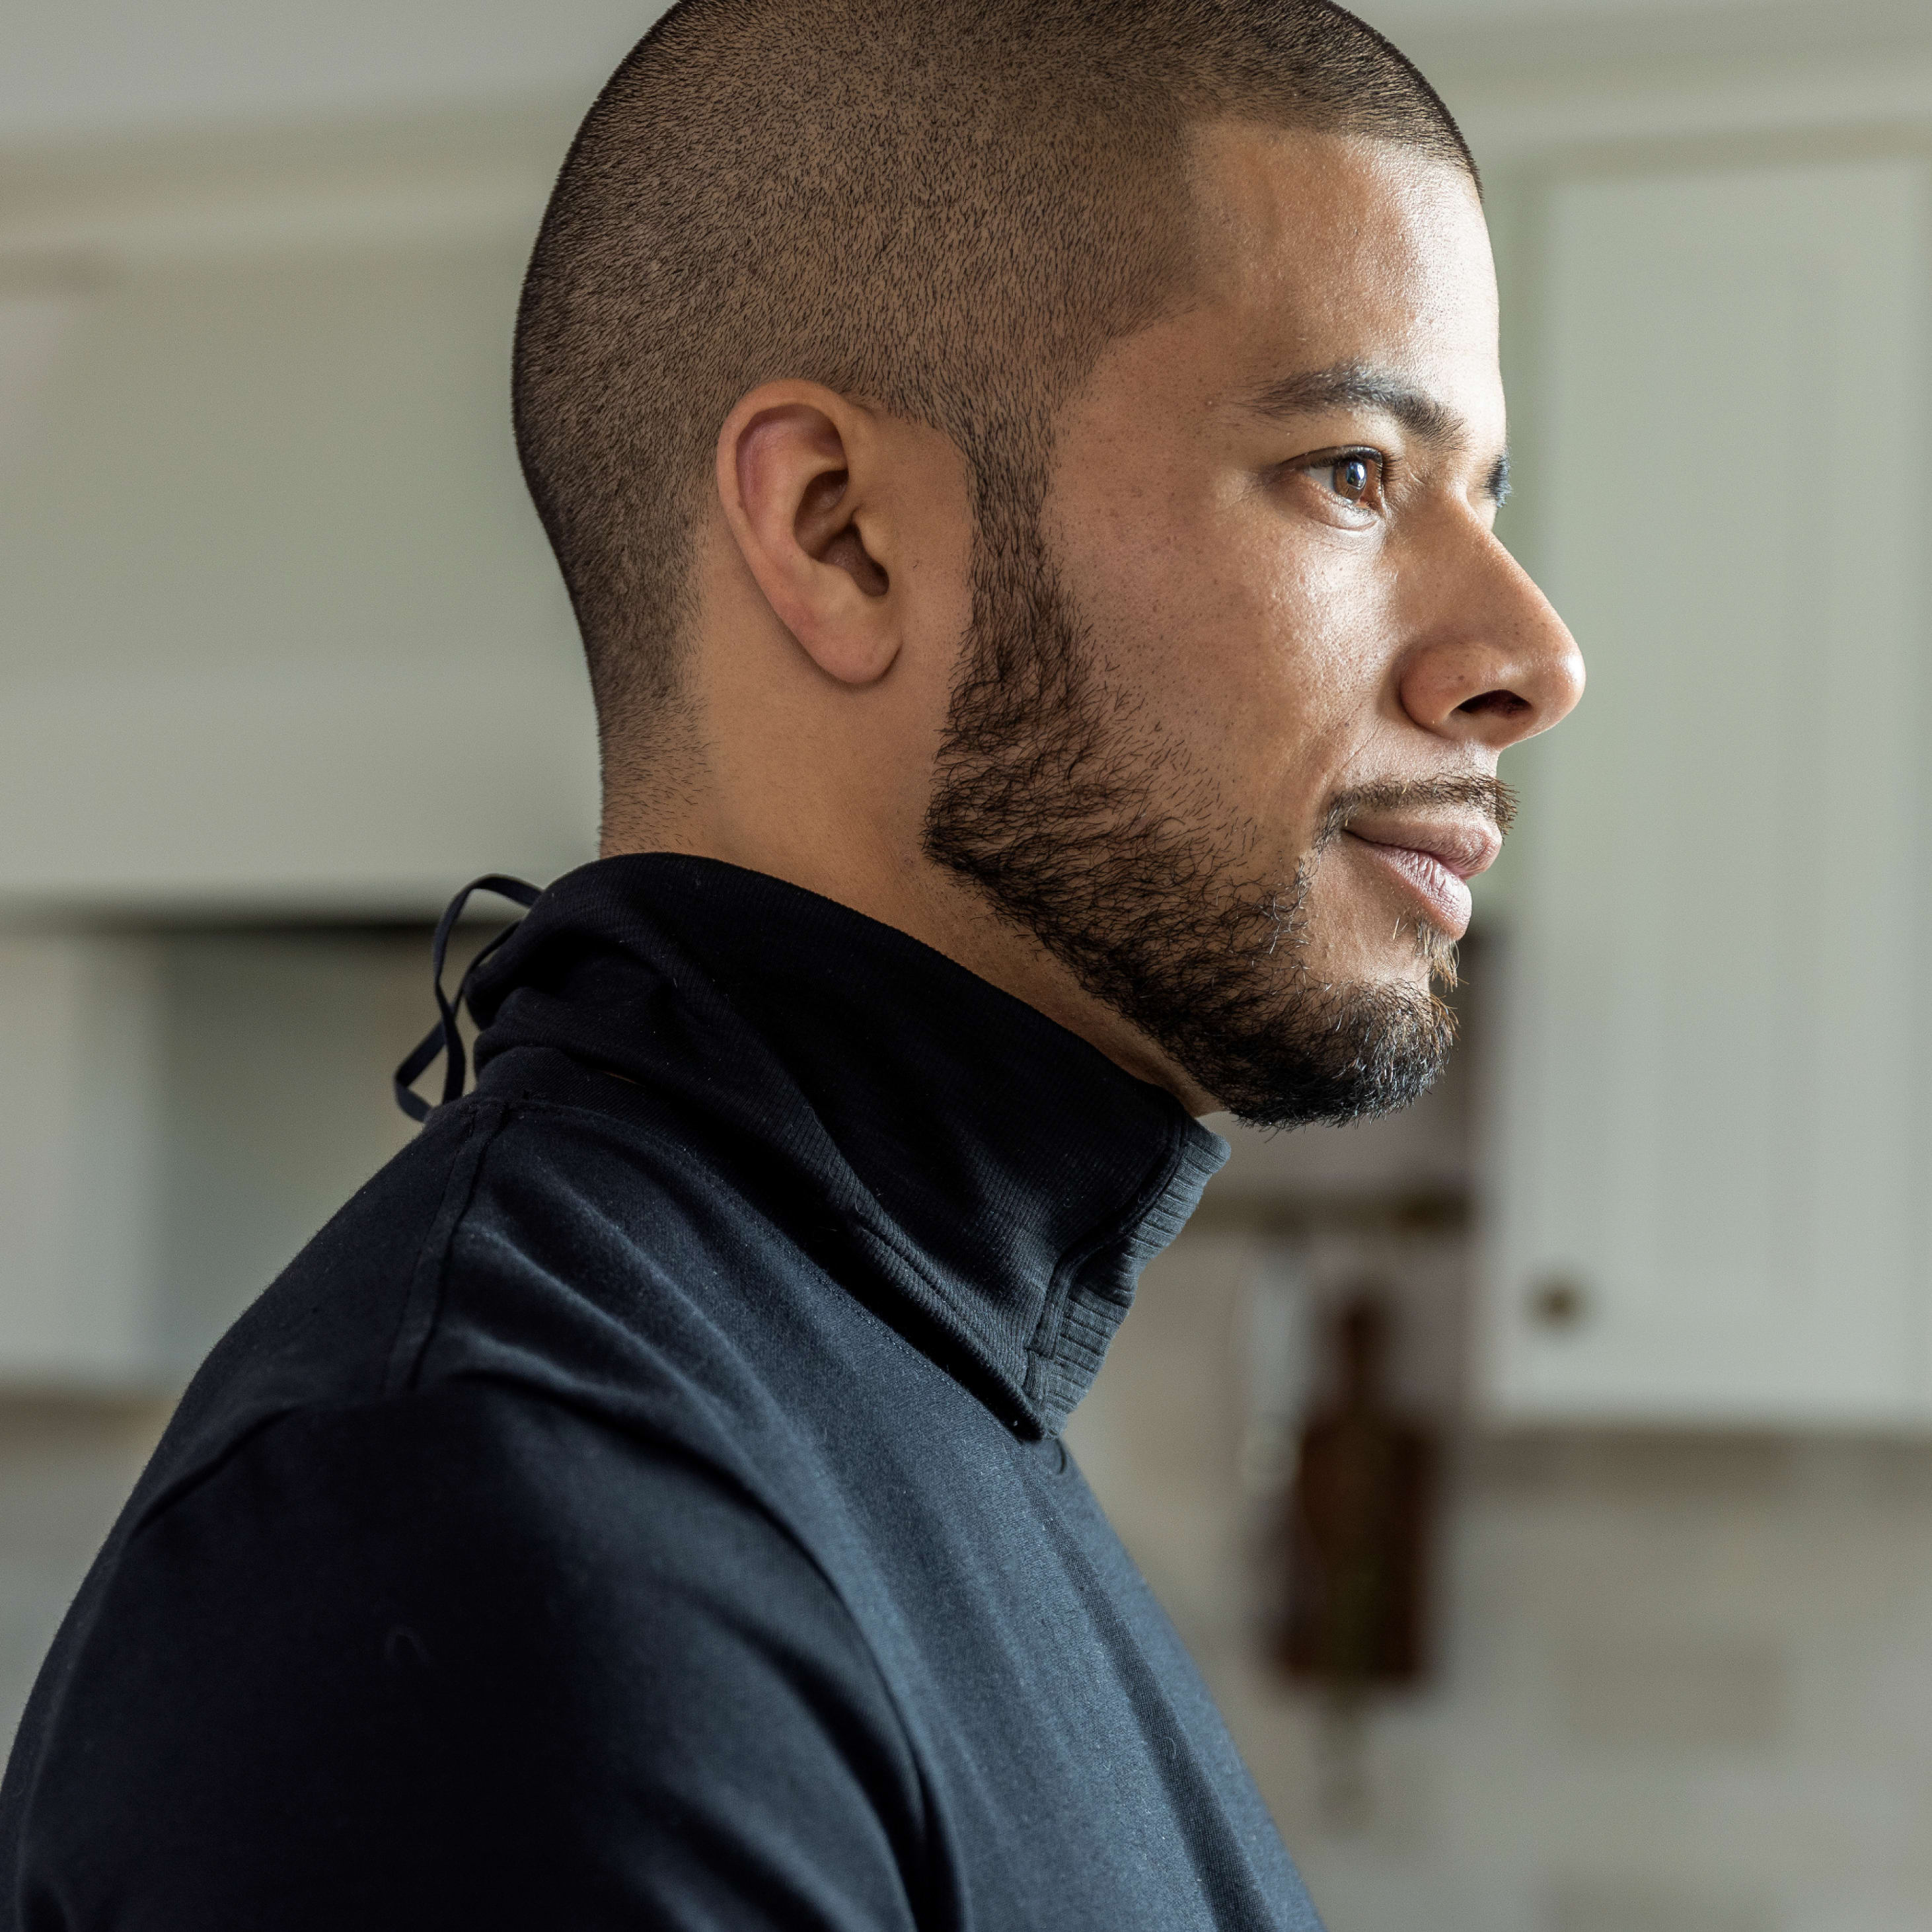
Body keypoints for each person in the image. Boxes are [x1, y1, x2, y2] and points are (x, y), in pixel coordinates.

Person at [0, 0, 1581, 1925]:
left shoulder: (875, 1408)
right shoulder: (499, 1520)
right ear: (840, 537)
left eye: (1481, 496)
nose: (1527, 653)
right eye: (1349, 470)